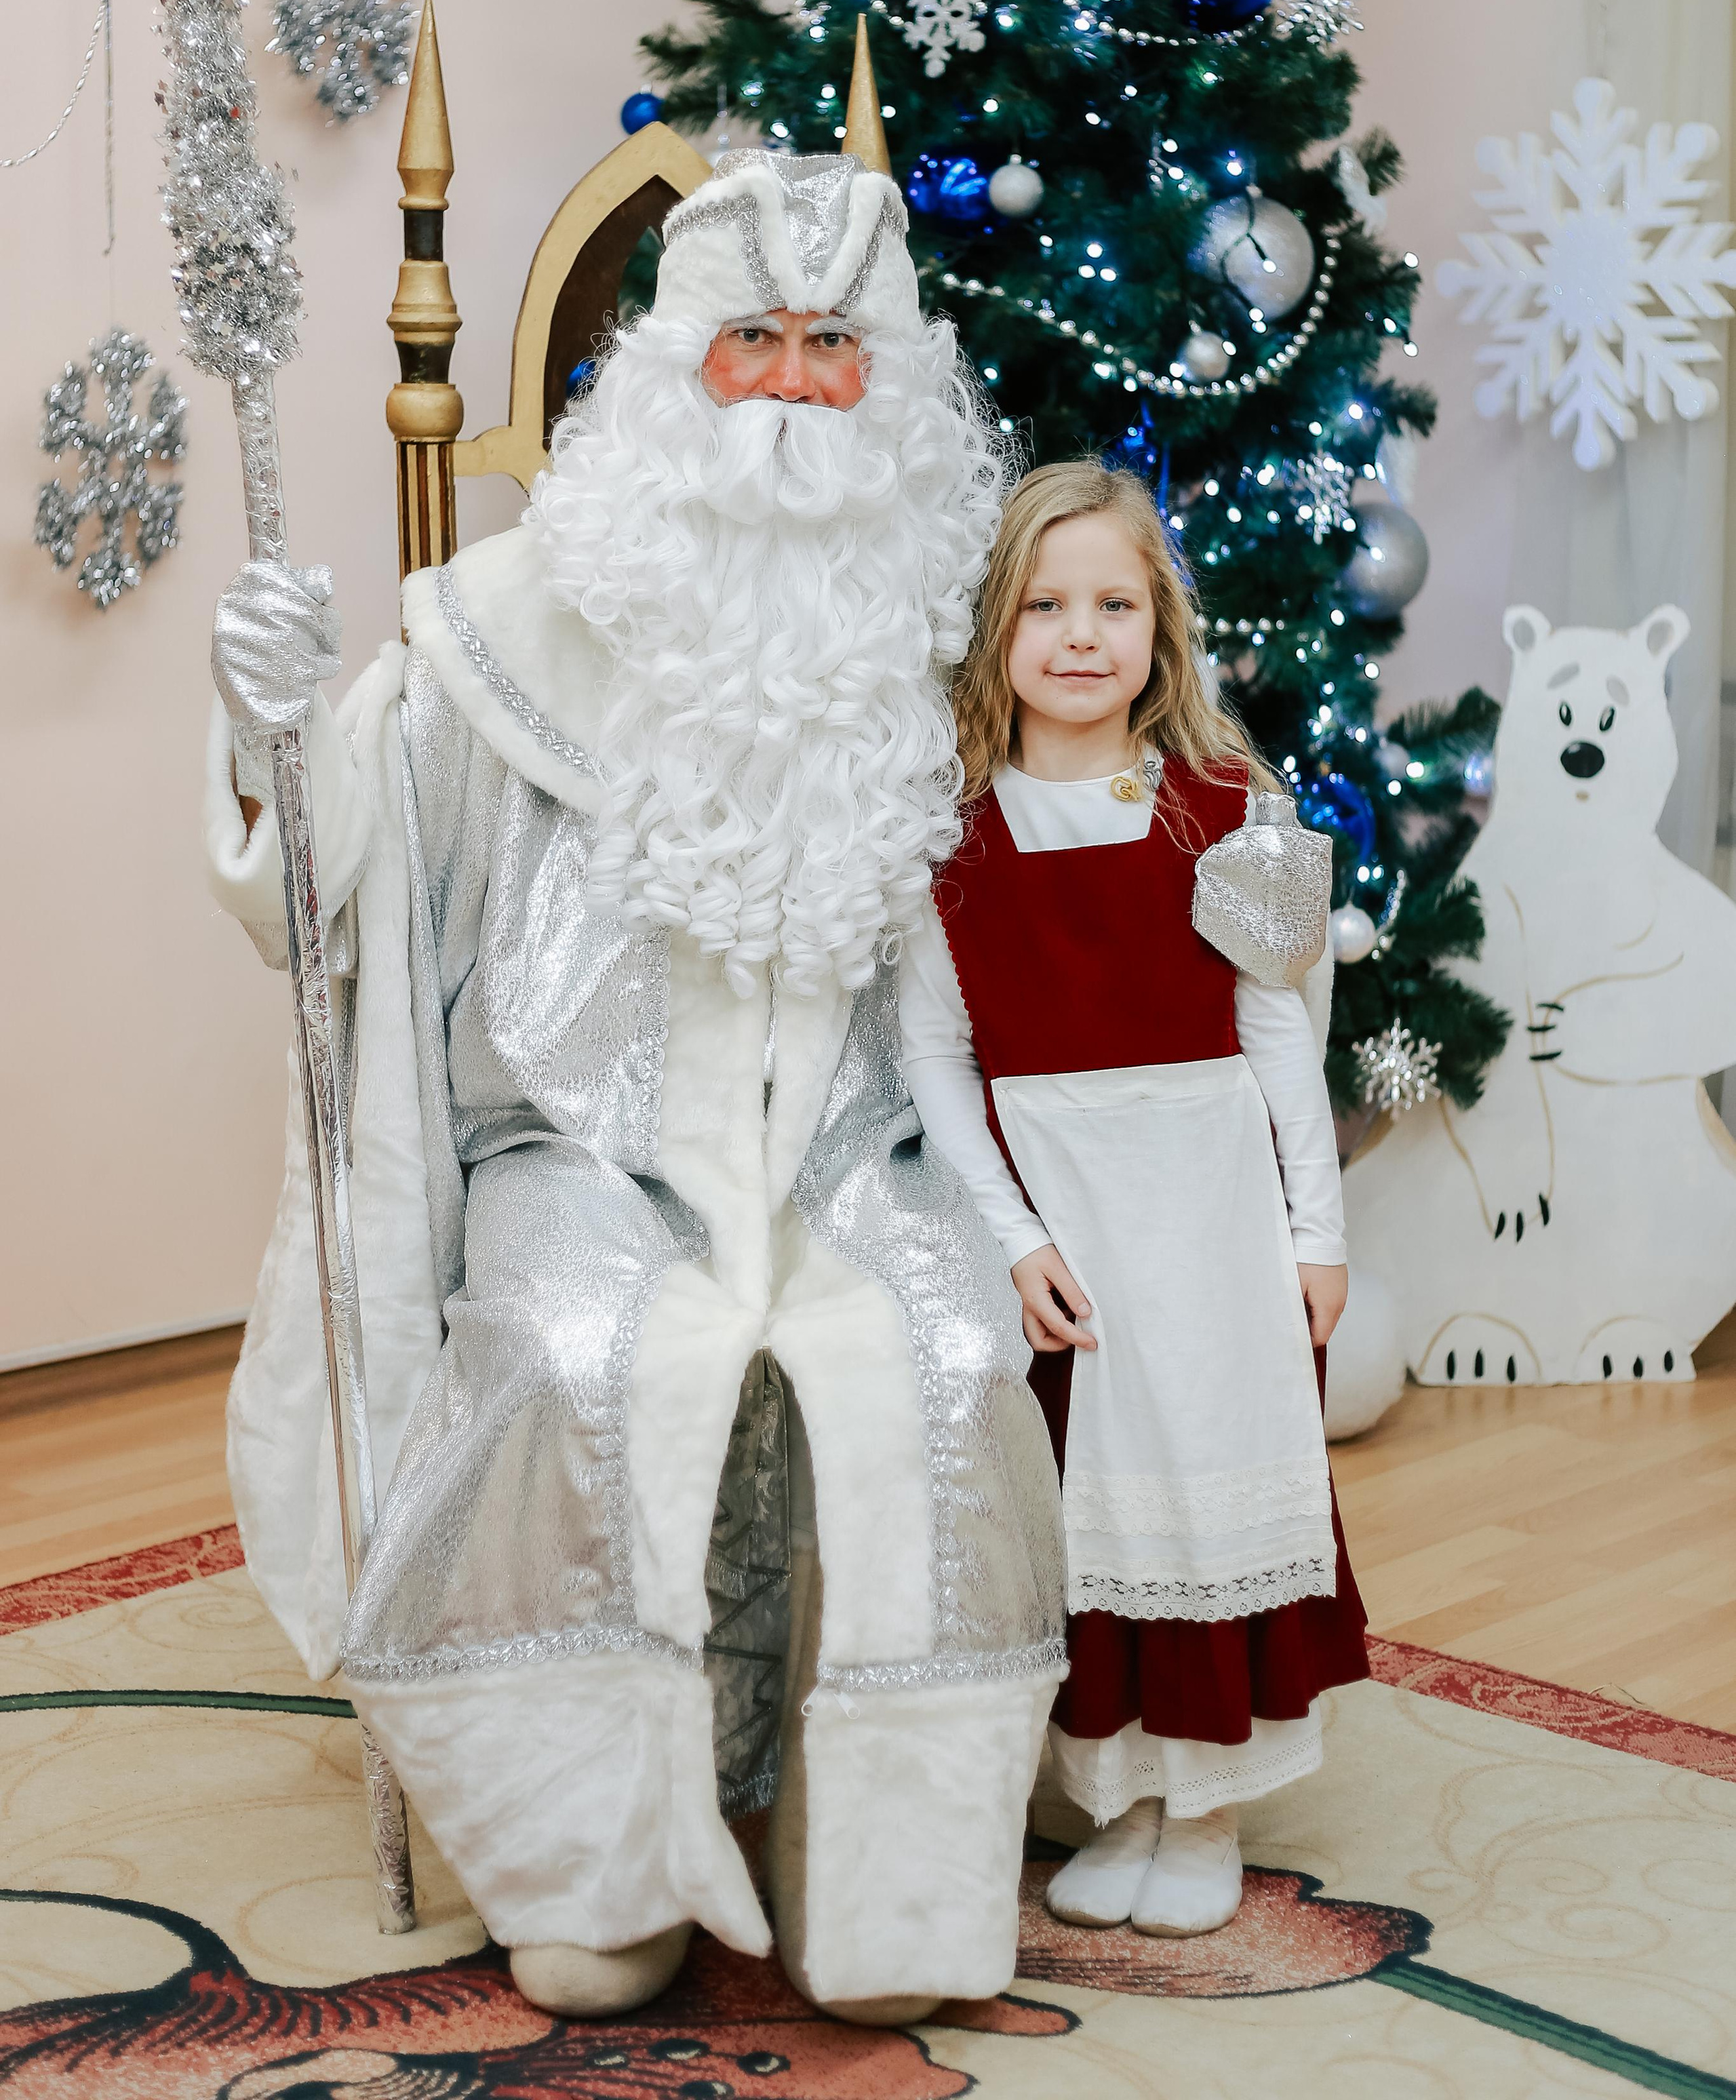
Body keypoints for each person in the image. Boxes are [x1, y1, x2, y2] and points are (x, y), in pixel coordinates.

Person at [203, 141, 1066, 2023]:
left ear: (889, 380)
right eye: (754, 338)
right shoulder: (497, 626)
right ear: (680, 366)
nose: (793, 386)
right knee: (576, 1354)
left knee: (940, 1354)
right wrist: (267, 731)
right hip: (570, 1145)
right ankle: (591, 1862)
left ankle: (881, 1870)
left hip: (849, 1150)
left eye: (834, 344)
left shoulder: (937, 630)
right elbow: (331, 891)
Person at [898, 460, 1369, 1939]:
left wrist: (1316, 1233)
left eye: (1113, 604)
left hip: (1212, 1214)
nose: (1080, 636)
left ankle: (1207, 1806)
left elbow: (1279, 1031)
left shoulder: (1232, 809)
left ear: (1159, 627)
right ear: (997, 627)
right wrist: (1013, 1238)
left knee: (1211, 1493)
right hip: (1069, 1227)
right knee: (1095, 1513)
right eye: (1045, 606)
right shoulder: (944, 831)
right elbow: (936, 1059)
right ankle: (1117, 1799)